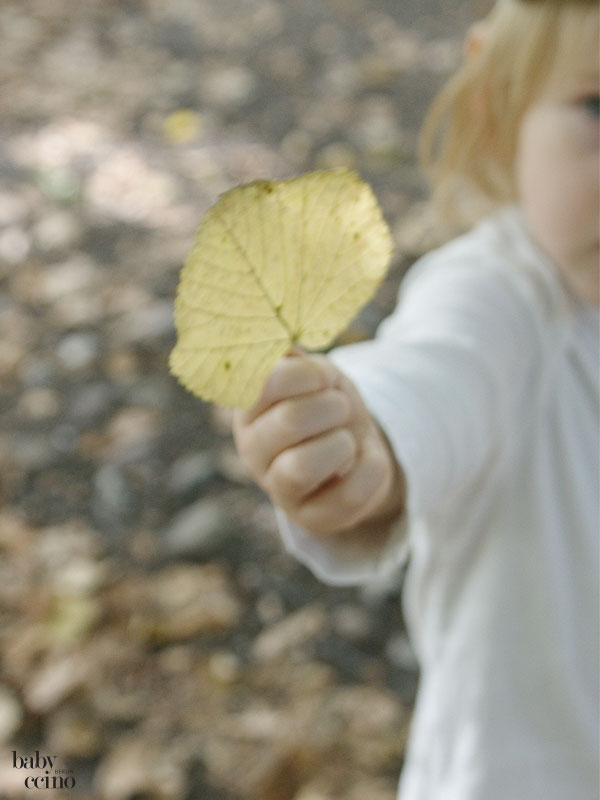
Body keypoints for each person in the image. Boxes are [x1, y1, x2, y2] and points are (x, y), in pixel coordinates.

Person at [233, 0, 599, 797]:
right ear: (497, 103)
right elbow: (435, 377)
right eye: (597, 107)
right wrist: (361, 436)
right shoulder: (506, 304)